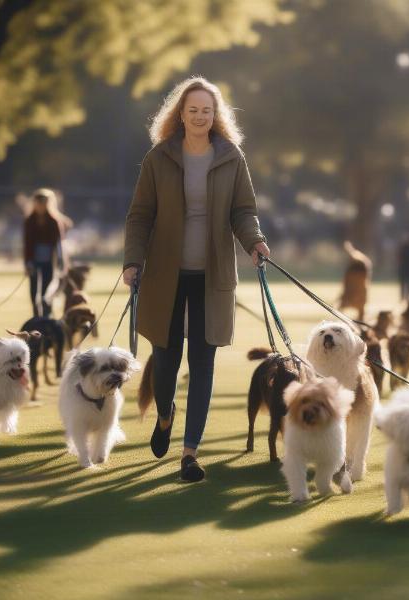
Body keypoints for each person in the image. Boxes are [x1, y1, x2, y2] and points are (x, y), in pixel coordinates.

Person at [123, 76, 270, 482]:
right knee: (166, 364)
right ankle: (166, 411)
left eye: (207, 110)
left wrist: (254, 240)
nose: (201, 117)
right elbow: (140, 216)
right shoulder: (159, 158)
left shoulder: (231, 158)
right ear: (180, 114)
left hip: (213, 276)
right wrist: (132, 261)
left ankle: (190, 454)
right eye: (193, 110)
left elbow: (244, 210)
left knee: (202, 363)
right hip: (164, 276)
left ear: (215, 114)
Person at [23, 188, 70, 317]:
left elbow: (59, 244)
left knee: (46, 292)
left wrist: (62, 262)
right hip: (33, 261)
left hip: (49, 261)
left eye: (43, 203)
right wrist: (27, 263)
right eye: (38, 203)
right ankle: (36, 318)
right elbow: (27, 244)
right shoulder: (29, 221)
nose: (40, 206)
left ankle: (47, 317)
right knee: (33, 292)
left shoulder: (54, 221)